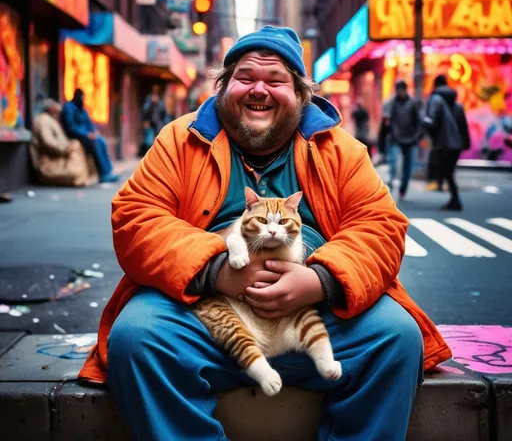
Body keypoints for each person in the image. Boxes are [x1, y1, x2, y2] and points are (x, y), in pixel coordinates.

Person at [79, 26, 451, 440]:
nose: (259, 89)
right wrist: (217, 270)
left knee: (396, 338)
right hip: (206, 317)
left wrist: (320, 281)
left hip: (314, 319)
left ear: (301, 94)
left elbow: (381, 227)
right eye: (244, 77)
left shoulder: (341, 149)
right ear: (223, 86)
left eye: (276, 80)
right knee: (138, 338)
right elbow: (136, 218)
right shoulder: (178, 141)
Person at [423, 74, 470, 210]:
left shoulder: (435, 101)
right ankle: (454, 198)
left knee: (446, 171)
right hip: (456, 143)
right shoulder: (458, 106)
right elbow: (463, 126)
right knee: (449, 171)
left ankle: (455, 199)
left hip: (443, 142)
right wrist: (465, 143)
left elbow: (432, 122)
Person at [30, 99, 97, 186]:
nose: (59, 115)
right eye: (58, 112)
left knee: (77, 145)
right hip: (48, 162)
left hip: (55, 157)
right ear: (52, 109)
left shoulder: (49, 120)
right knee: (75, 146)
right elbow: (47, 142)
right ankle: (80, 176)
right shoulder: (43, 120)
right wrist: (65, 149)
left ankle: (84, 176)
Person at [61, 89, 119, 183]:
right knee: (95, 143)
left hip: (88, 135)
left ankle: (108, 172)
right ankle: (103, 174)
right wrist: (86, 134)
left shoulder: (83, 110)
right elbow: (70, 127)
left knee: (101, 141)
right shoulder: (69, 107)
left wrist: (94, 132)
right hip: (77, 136)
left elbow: (90, 124)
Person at [383, 80, 423, 200]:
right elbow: (386, 120)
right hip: (396, 138)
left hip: (411, 139)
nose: (400, 93)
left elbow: (419, 121)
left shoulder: (413, 103)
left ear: (406, 90)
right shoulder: (391, 103)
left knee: (408, 167)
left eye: (402, 90)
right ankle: (391, 179)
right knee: (393, 162)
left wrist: (417, 136)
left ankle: (403, 189)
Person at [139, 85, 167, 156]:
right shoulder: (149, 99)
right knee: (148, 140)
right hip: (149, 123)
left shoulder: (160, 100)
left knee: (157, 139)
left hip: (158, 123)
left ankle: (155, 154)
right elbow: (145, 110)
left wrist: (158, 103)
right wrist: (151, 102)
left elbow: (163, 111)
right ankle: (149, 154)